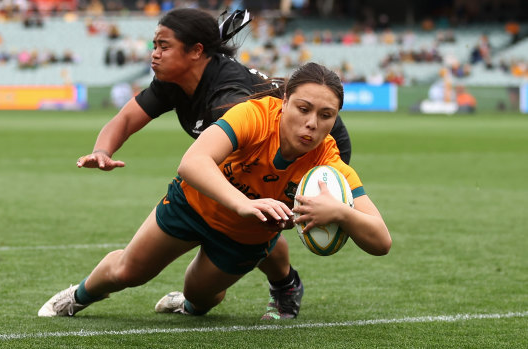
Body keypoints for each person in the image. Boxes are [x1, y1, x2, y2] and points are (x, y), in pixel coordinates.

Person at [38, 62, 391, 319]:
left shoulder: (327, 162)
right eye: (303, 109)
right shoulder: (253, 115)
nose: (312, 123)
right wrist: (242, 203)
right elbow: (192, 162)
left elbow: (381, 241)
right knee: (129, 272)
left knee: (200, 298)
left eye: (326, 115)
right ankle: (78, 296)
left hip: (244, 237)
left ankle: (188, 302)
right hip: (192, 205)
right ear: (284, 100)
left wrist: (341, 212)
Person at [74, 8, 352, 320]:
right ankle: (283, 280)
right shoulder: (173, 79)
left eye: (164, 46)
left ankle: (285, 285)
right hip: (262, 150)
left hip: (313, 144)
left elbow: (219, 167)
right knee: (250, 207)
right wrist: (102, 149)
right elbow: (126, 119)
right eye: (155, 45)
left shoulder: (230, 99)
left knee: (257, 215)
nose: (155, 55)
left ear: (196, 52)